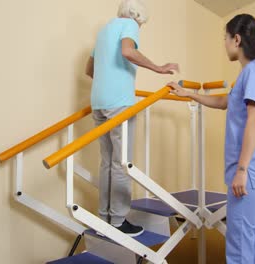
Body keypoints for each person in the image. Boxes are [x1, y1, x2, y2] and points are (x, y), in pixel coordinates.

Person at [169, 14, 255, 263]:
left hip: (247, 173)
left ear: (236, 39)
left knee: (239, 245)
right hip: (253, 171)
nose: (225, 43)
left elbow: (254, 118)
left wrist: (241, 169)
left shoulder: (254, 71)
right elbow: (223, 102)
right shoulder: (252, 72)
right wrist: (189, 94)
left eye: (225, 38)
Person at [85, 0, 179, 237]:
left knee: (107, 161)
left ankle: (105, 217)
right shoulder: (129, 24)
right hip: (119, 103)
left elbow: (89, 70)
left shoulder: (104, 30)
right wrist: (158, 68)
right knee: (121, 163)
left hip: (98, 102)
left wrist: (108, 79)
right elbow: (128, 51)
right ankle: (118, 221)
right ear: (138, 17)